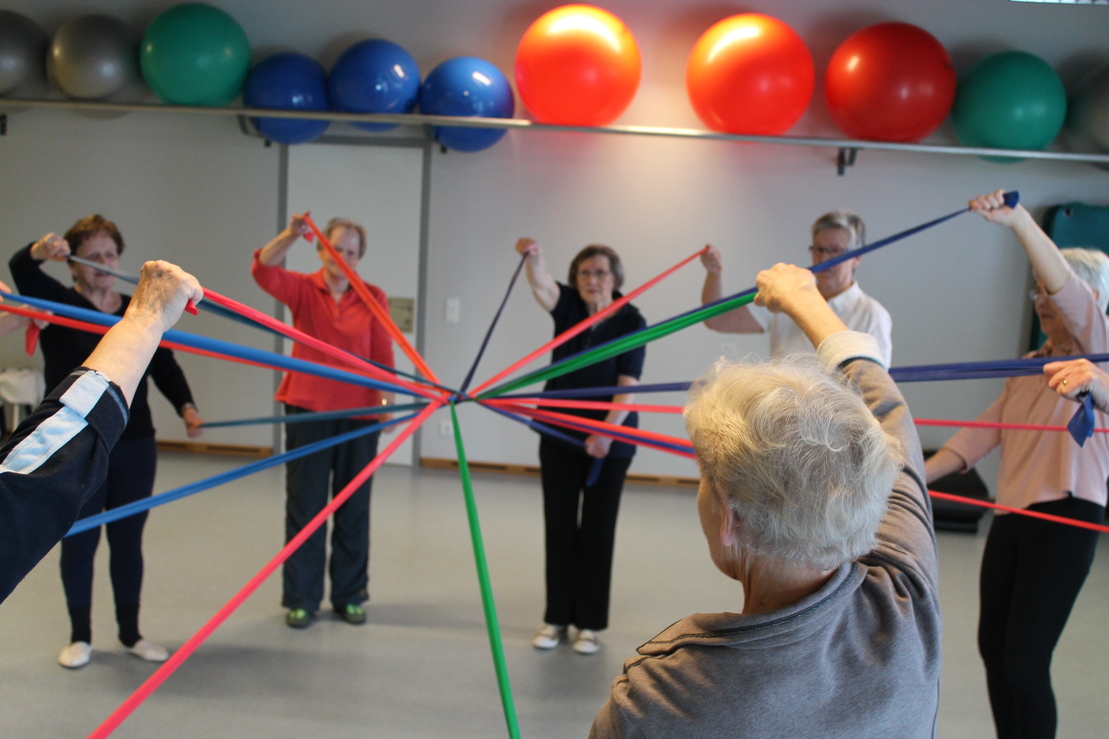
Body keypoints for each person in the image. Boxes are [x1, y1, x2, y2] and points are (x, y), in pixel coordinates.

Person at [591, 262, 939, 738]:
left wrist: (800, 299)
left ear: (728, 515)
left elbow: (889, 418)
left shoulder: (660, 697)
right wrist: (805, 299)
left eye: (702, 476)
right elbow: (890, 414)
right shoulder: (905, 601)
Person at [924, 191, 1109, 739]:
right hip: (1012, 519)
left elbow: (1069, 295)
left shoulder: (1099, 350)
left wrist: (1019, 223)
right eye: (1036, 293)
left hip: (1065, 518)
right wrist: (912, 472)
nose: (1040, 301)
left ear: (1092, 301)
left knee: (1026, 663)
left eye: (1047, 292)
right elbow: (984, 432)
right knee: (996, 654)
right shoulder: (1032, 365)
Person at [10, 216, 204, 669]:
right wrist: (40, 250)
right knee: (78, 538)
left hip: (135, 442)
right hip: (77, 442)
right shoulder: (59, 304)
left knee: (127, 539)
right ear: (73, 265)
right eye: (92, 256)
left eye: (110, 255)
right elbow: (21, 266)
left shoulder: (141, 311)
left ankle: (131, 633)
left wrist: (187, 408)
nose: (103, 264)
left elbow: (166, 367)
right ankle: (80, 636)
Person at [252, 213, 395, 629]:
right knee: (306, 505)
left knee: (354, 508)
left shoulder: (373, 296)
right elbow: (262, 268)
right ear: (321, 249)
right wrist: (290, 234)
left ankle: (350, 595)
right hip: (308, 410)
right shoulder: (303, 288)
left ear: (359, 256)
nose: (342, 257)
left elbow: (383, 355)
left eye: (351, 251)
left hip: (360, 415)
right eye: (335, 248)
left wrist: (386, 401)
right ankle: (301, 597)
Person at [515, 237, 646, 656]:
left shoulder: (631, 320)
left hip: (612, 439)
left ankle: (588, 624)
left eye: (601, 273)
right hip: (559, 433)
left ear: (616, 278)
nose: (593, 280)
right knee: (558, 525)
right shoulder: (568, 306)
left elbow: (629, 383)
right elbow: (540, 286)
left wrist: (606, 432)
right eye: (585, 273)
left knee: (597, 529)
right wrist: (535, 256)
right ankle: (555, 618)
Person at [700, 210, 893, 365]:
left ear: (857, 258)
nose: (824, 258)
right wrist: (714, 273)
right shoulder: (787, 296)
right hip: (780, 413)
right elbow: (717, 319)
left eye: (834, 251)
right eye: (819, 249)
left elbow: (872, 392)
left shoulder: (873, 315)